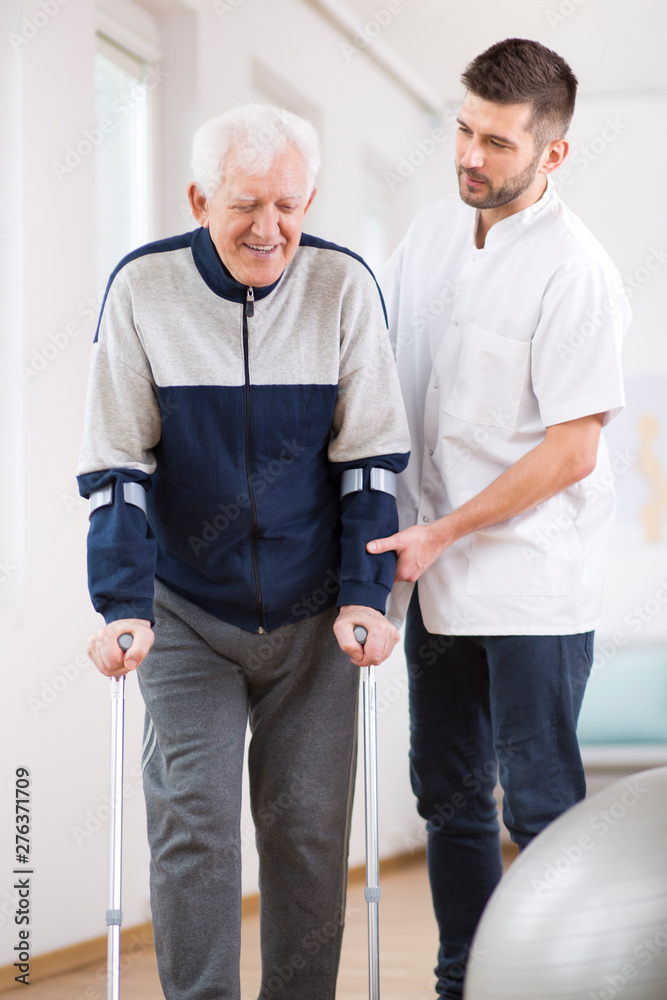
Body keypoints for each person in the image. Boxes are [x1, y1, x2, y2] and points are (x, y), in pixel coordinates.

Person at [78, 103, 410, 1000]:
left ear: (310, 200)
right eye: (246, 204)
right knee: (198, 822)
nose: (270, 229)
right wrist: (122, 606)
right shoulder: (143, 291)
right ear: (198, 197)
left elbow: (370, 463)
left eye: (289, 206)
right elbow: (117, 465)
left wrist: (364, 595)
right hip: (185, 610)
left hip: (315, 614)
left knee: (305, 828)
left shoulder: (342, 287)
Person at [368, 39, 629, 999]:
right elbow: (380, 372)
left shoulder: (577, 271)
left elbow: (571, 450)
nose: (471, 155)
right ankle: (463, 982)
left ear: (551, 153)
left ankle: (559, 984)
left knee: (542, 807)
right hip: (430, 579)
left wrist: (440, 532)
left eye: (498, 143)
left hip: (530, 585)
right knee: (447, 797)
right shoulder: (431, 236)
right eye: (464, 129)